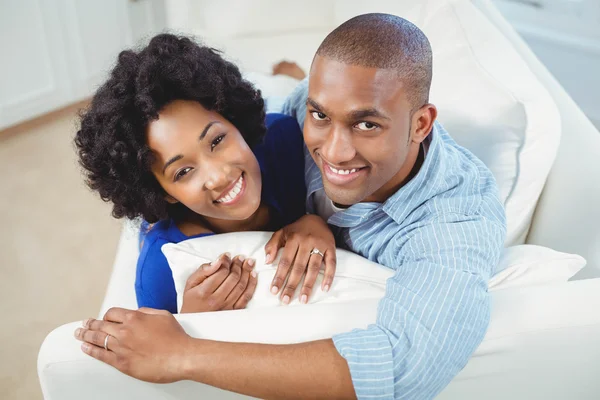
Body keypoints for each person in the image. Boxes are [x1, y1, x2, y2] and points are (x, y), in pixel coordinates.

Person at [75, 14, 506, 399]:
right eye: (321, 116)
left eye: (366, 123)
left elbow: (397, 366)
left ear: (421, 124)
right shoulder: (297, 116)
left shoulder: (453, 224)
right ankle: (289, 74)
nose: (334, 153)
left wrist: (187, 352)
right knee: (291, 92)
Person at [74, 33, 336, 315]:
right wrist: (190, 320)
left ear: (234, 121)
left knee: (283, 88)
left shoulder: (283, 139)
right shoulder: (158, 267)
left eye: (217, 141)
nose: (219, 177)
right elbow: (160, 350)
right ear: (163, 192)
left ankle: (286, 73)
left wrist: (318, 222)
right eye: (183, 171)